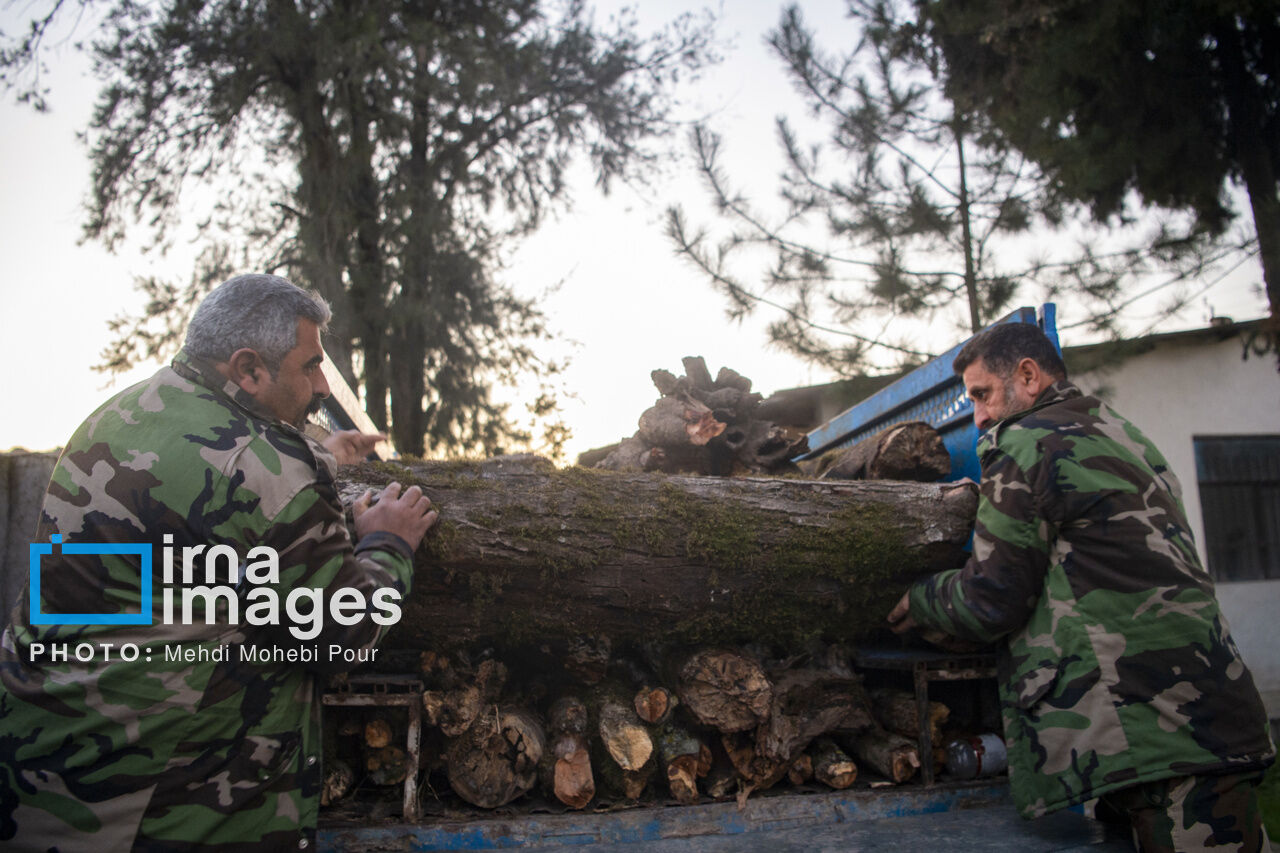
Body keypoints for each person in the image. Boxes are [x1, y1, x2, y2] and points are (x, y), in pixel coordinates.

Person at [0, 274, 438, 851]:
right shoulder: (260, 468)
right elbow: (342, 635)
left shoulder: (123, 413)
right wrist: (389, 542)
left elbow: (218, 515)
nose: (323, 386)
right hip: (154, 810)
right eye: (309, 365)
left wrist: (316, 466)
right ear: (249, 368)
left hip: (47, 777)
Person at [887, 322, 1274, 852]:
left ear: (1027, 376)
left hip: (1157, 735)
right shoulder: (1123, 433)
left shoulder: (1026, 442)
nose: (975, 416)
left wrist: (921, 599)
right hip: (1197, 717)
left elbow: (989, 600)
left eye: (981, 394)